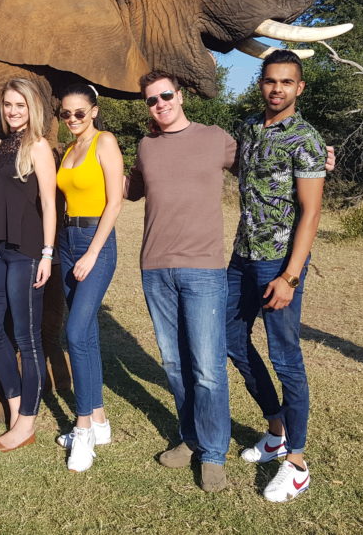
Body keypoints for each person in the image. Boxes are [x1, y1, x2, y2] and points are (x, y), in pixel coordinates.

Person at [125, 70, 237, 493]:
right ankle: (190, 438)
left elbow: (263, 166)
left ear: (182, 96)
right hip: (155, 268)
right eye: (152, 100)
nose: (160, 104)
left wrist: (315, 161)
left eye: (166, 95)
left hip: (204, 269)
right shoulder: (146, 146)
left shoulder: (215, 138)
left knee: (207, 368)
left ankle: (213, 454)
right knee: (174, 364)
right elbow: (128, 188)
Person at [226, 49, 326, 502]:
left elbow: (311, 212)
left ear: (299, 88)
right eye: (270, 81)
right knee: (230, 339)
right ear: (260, 84)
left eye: (286, 82)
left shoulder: (306, 139)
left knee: (286, 359)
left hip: (278, 263)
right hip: (242, 256)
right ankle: (276, 430)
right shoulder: (249, 128)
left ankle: (297, 463)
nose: (277, 89)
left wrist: (290, 276)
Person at [0, 78, 58, 451]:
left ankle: (26, 424)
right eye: (8, 105)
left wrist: (48, 254)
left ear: (32, 108)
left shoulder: (38, 146)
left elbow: (49, 204)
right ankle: (15, 407)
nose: (12, 111)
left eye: (19, 105)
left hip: (26, 250)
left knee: (26, 336)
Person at [53, 83, 124, 472]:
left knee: (76, 332)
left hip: (94, 240)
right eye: (66, 113)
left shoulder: (104, 142)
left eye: (79, 112)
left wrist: (93, 252)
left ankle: (82, 431)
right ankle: (99, 421)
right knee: (88, 333)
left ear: (94, 111)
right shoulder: (68, 149)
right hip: (67, 240)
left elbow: (115, 201)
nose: (73, 119)